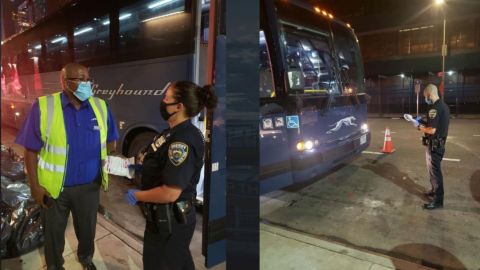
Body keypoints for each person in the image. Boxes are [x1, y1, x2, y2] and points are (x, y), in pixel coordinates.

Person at [15, 63, 119, 270]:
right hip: (54, 189)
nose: (86, 84)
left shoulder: (100, 106)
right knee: (53, 234)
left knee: (87, 230)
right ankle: (55, 265)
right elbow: (30, 151)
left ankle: (86, 257)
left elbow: (111, 142)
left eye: (88, 80)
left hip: (89, 186)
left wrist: (109, 158)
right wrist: (35, 186)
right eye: (80, 79)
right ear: (64, 82)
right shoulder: (44, 106)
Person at [125, 81, 217, 270]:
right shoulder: (171, 133)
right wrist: (135, 167)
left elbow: (170, 193)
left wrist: (137, 195)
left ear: (178, 106)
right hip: (162, 219)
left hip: (170, 221)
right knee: (178, 261)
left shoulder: (182, 142)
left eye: (166, 98)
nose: (162, 101)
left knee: (160, 264)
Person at [412, 83, 450, 210]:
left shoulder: (434, 108)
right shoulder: (443, 106)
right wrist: (418, 120)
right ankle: (434, 190)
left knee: (435, 172)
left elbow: (432, 130)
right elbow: (434, 123)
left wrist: (418, 127)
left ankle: (438, 200)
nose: (425, 99)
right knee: (433, 171)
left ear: (429, 94)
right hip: (438, 145)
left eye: (425, 96)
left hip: (434, 146)